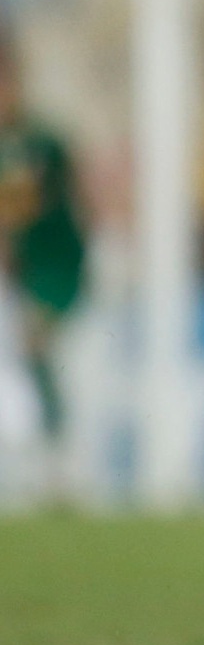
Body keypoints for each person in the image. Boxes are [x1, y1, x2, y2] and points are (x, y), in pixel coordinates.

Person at [0, 46, 86, 447]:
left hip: (57, 265)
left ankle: (56, 450)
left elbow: (28, 205)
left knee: (34, 342)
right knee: (31, 350)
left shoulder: (42, 142)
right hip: (21, 270)